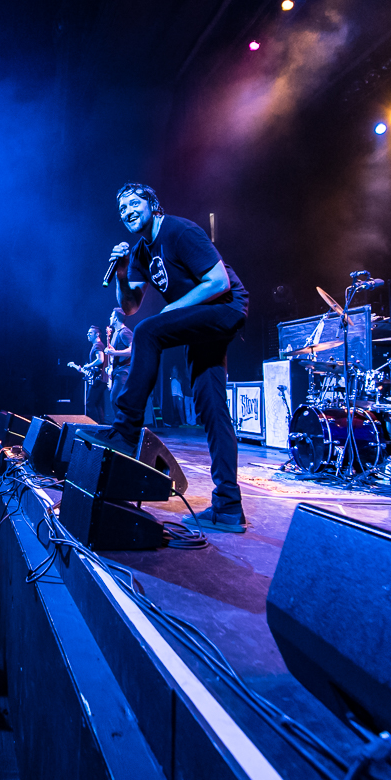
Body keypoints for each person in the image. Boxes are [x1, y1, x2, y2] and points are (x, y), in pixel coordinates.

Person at [92, 183, 249, 532]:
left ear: (152, 204)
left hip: (226, 307)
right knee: (211, 406)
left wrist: (170, 310)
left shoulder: (179, 231)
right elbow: (130, 306)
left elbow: (218, 282)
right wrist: (121, 272)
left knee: (149, 331)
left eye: (134, 203)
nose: (127, 212)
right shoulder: (140, 252)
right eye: (122, 209)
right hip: (202, 321)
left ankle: (126, 431)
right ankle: (228, 506)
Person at [104, 307, 133, 421]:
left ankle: (123, 426)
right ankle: (122, 426)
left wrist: (114, 352)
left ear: (115, 319)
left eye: (111, 316)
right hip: (117, 371)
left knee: (116, 400)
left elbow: (133, 349)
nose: (110, 318)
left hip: (124, 371)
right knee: (116, 401)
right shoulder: (116, 333)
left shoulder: (125, 332)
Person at [83, 326, 108, 423]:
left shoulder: (98, 345)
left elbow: (100, 359)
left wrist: (88, 365)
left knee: (90, 403)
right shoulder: (98, 345)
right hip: (100, 379)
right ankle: (100, 425)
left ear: (97, 334)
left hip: (98, 380)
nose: (87, 334)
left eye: (90, 333)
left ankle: (95, 425)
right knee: (97, 404)